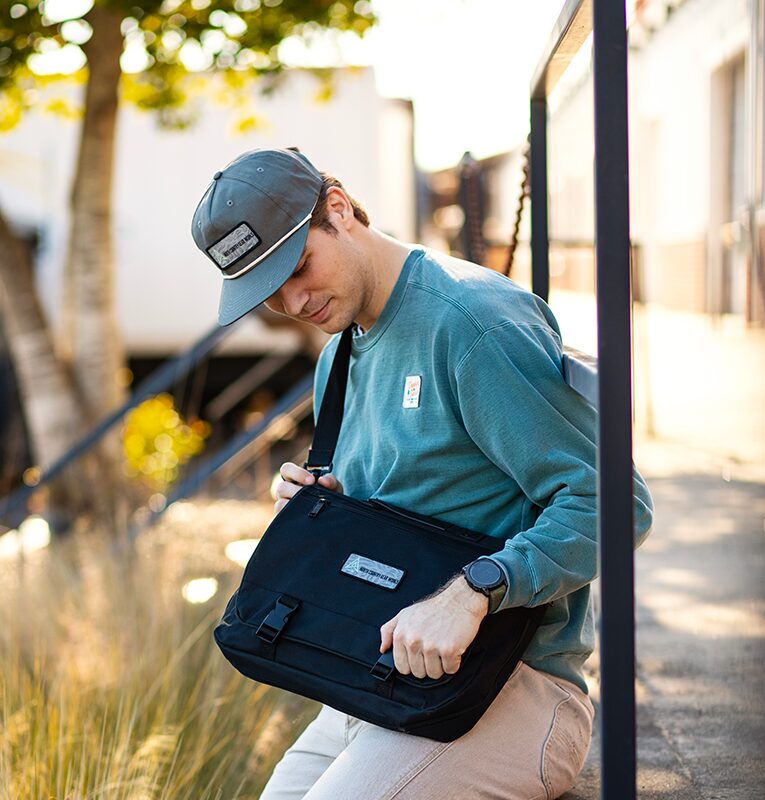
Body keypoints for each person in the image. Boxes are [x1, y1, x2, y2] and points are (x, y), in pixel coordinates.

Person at [191, 147, 654, 800]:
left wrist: (477, 588)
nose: (294, 301)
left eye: (298, 266)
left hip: (512, 688)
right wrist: (324, 505)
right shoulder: (341, 357)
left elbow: (616, 500)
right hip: (381, 681)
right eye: (270, 293)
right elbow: (407, 504)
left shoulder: (473, 326)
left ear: (338, 209)